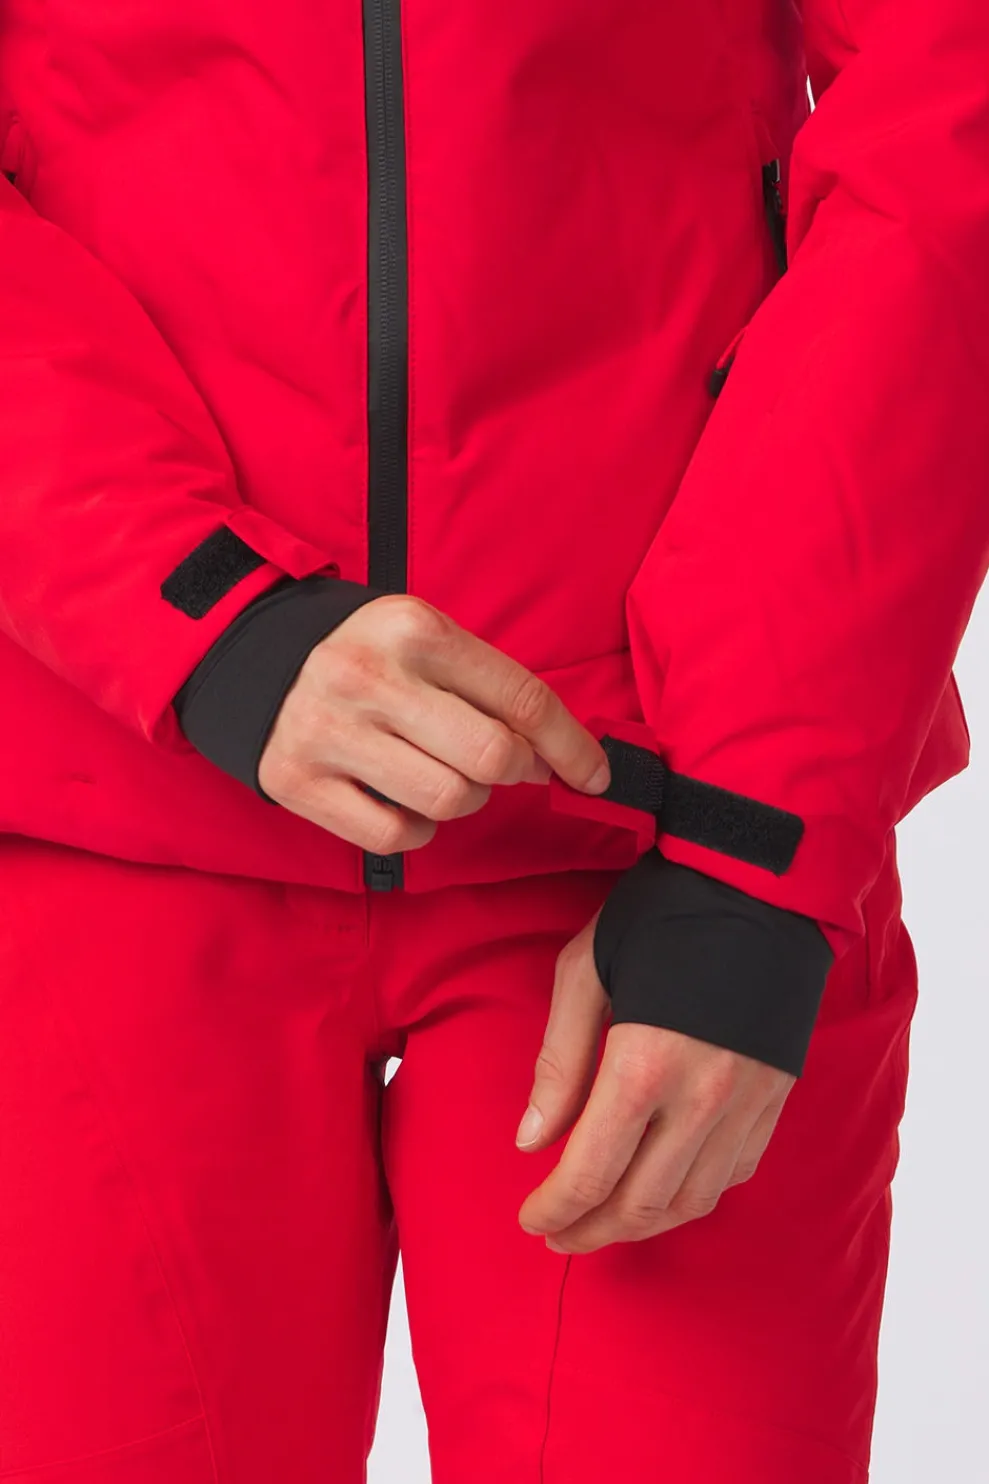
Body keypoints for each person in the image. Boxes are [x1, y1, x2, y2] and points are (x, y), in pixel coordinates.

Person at [0, 1, 986, 1480]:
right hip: (106, 803)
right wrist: (203, 613)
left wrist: (753, 849)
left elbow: (947, 136)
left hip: (654, 834)